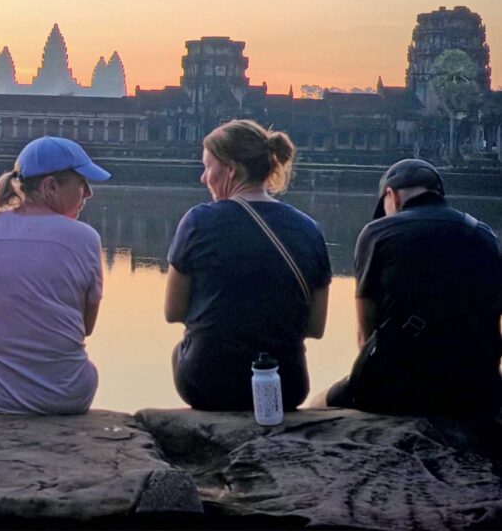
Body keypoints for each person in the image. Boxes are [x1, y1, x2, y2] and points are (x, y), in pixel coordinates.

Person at [165, 119, 331, 411]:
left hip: (207, 384)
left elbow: (173, 311)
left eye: (207, 167)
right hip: (286, 386)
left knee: (180, 349)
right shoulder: (309, 229)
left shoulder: (198, 221)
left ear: (230, 169)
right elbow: (315, 327)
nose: (203, 178)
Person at [324, 159, 502, 417]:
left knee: (323, 401)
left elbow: (366, 334)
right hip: (476, 387)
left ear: (391, 196)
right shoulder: (482, 233)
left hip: (401, 388)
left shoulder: (377, 233)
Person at [0, 136, 110, 415]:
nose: (89, 193)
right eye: (82, 183)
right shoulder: (85, 238)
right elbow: (85, 327)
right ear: (50, 186)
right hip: (64, 396)